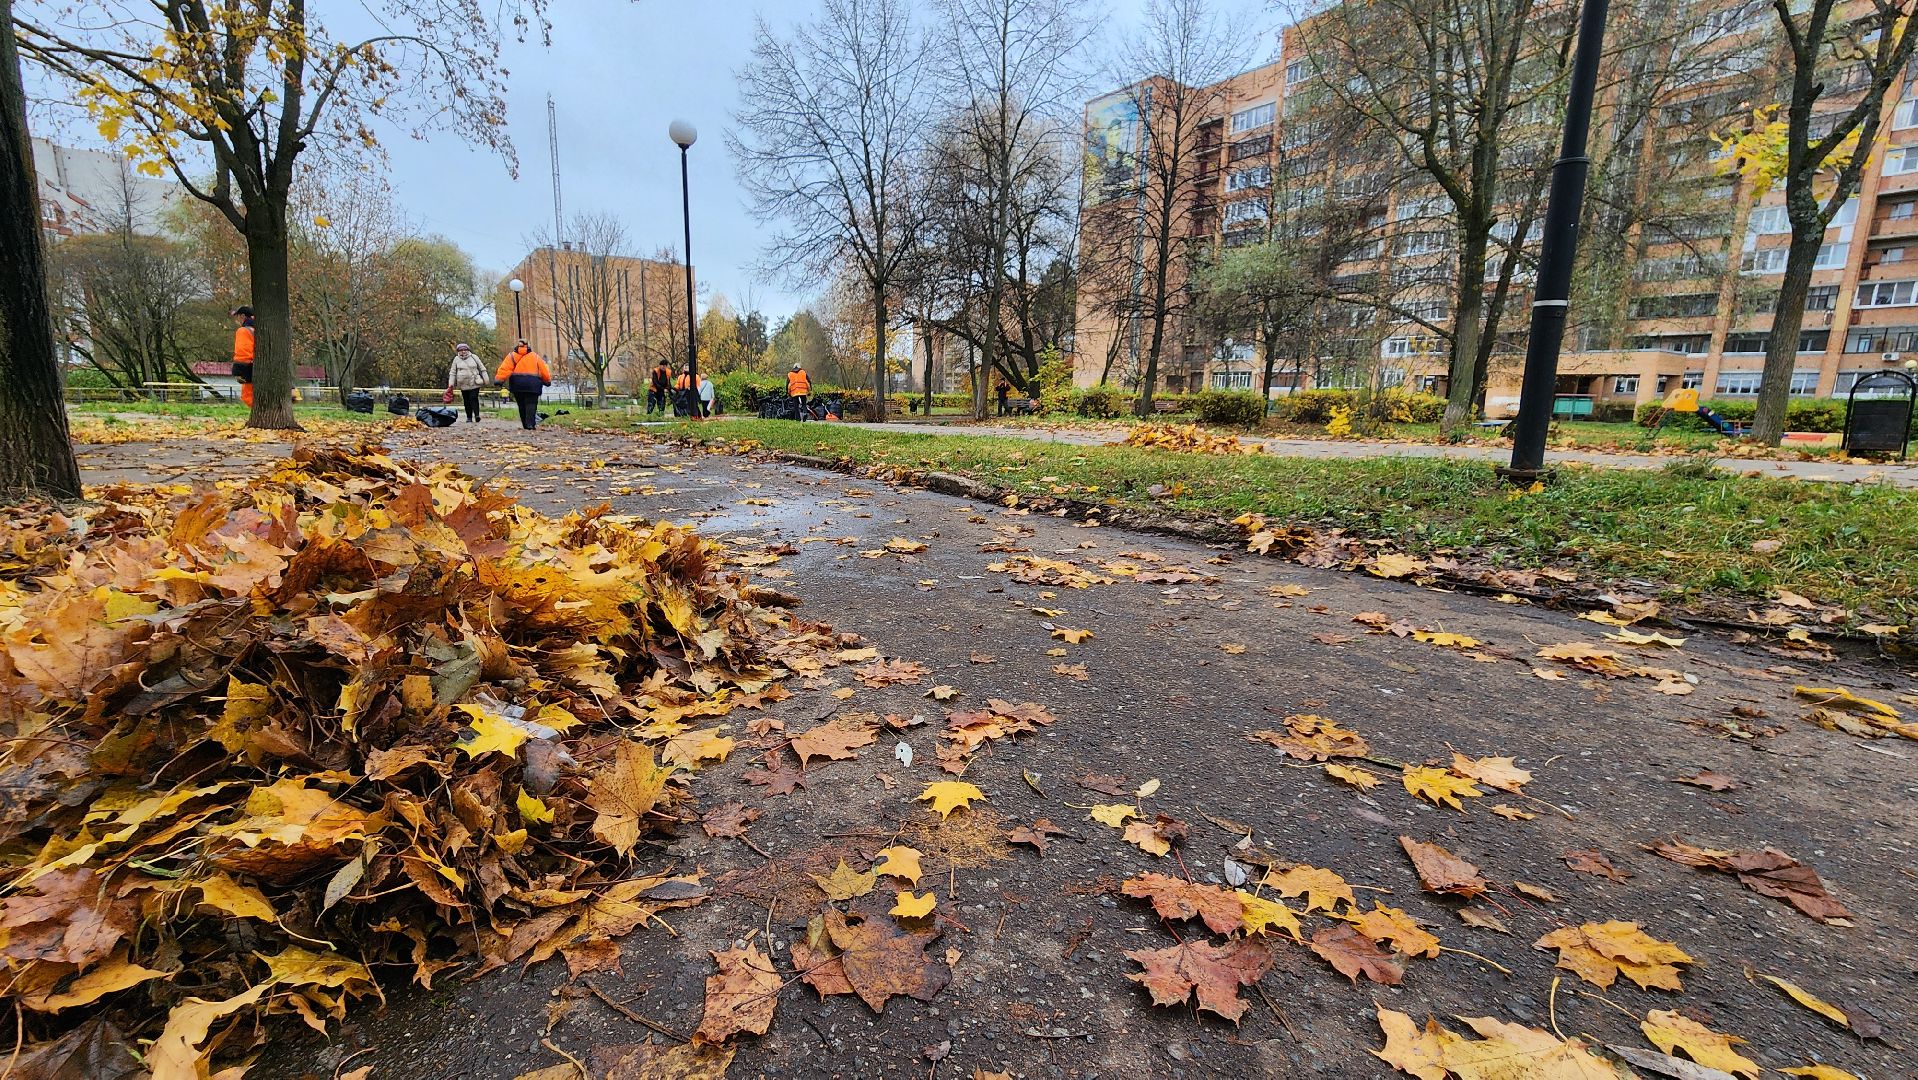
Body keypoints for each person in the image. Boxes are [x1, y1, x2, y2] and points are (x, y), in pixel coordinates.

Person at [495, 339, 552, 430]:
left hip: (517, 384)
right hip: (533, 384)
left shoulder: (511, 356)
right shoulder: (535, 357)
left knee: (521, 405)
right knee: (531, 404)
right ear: (528, 345)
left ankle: (525, 424)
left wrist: (499, 380)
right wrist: (547, 381)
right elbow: (543, 370)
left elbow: (504, 369)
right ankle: (530, 424)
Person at [446, 343, 489, 423]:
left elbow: (482, 368)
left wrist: (486, 379)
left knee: (473, 398)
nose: (463, 352)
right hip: (463, 384)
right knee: (466, 400)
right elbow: (452, 372)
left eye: (465, 350)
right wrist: (451, 384)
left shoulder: (474, 357)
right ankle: (469, 417)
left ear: (468, 350)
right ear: (458, 351)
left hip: (474, 382)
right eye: (461, 350)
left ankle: (477, 415)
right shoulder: (456, 359)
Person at [230, 306, 256, 407]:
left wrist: (239, 371)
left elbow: (243, 352)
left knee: (248, 397)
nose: (237, 320)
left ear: (243, 316)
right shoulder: (262, 328)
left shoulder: (244, 331)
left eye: (237, 317)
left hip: (251, 369)